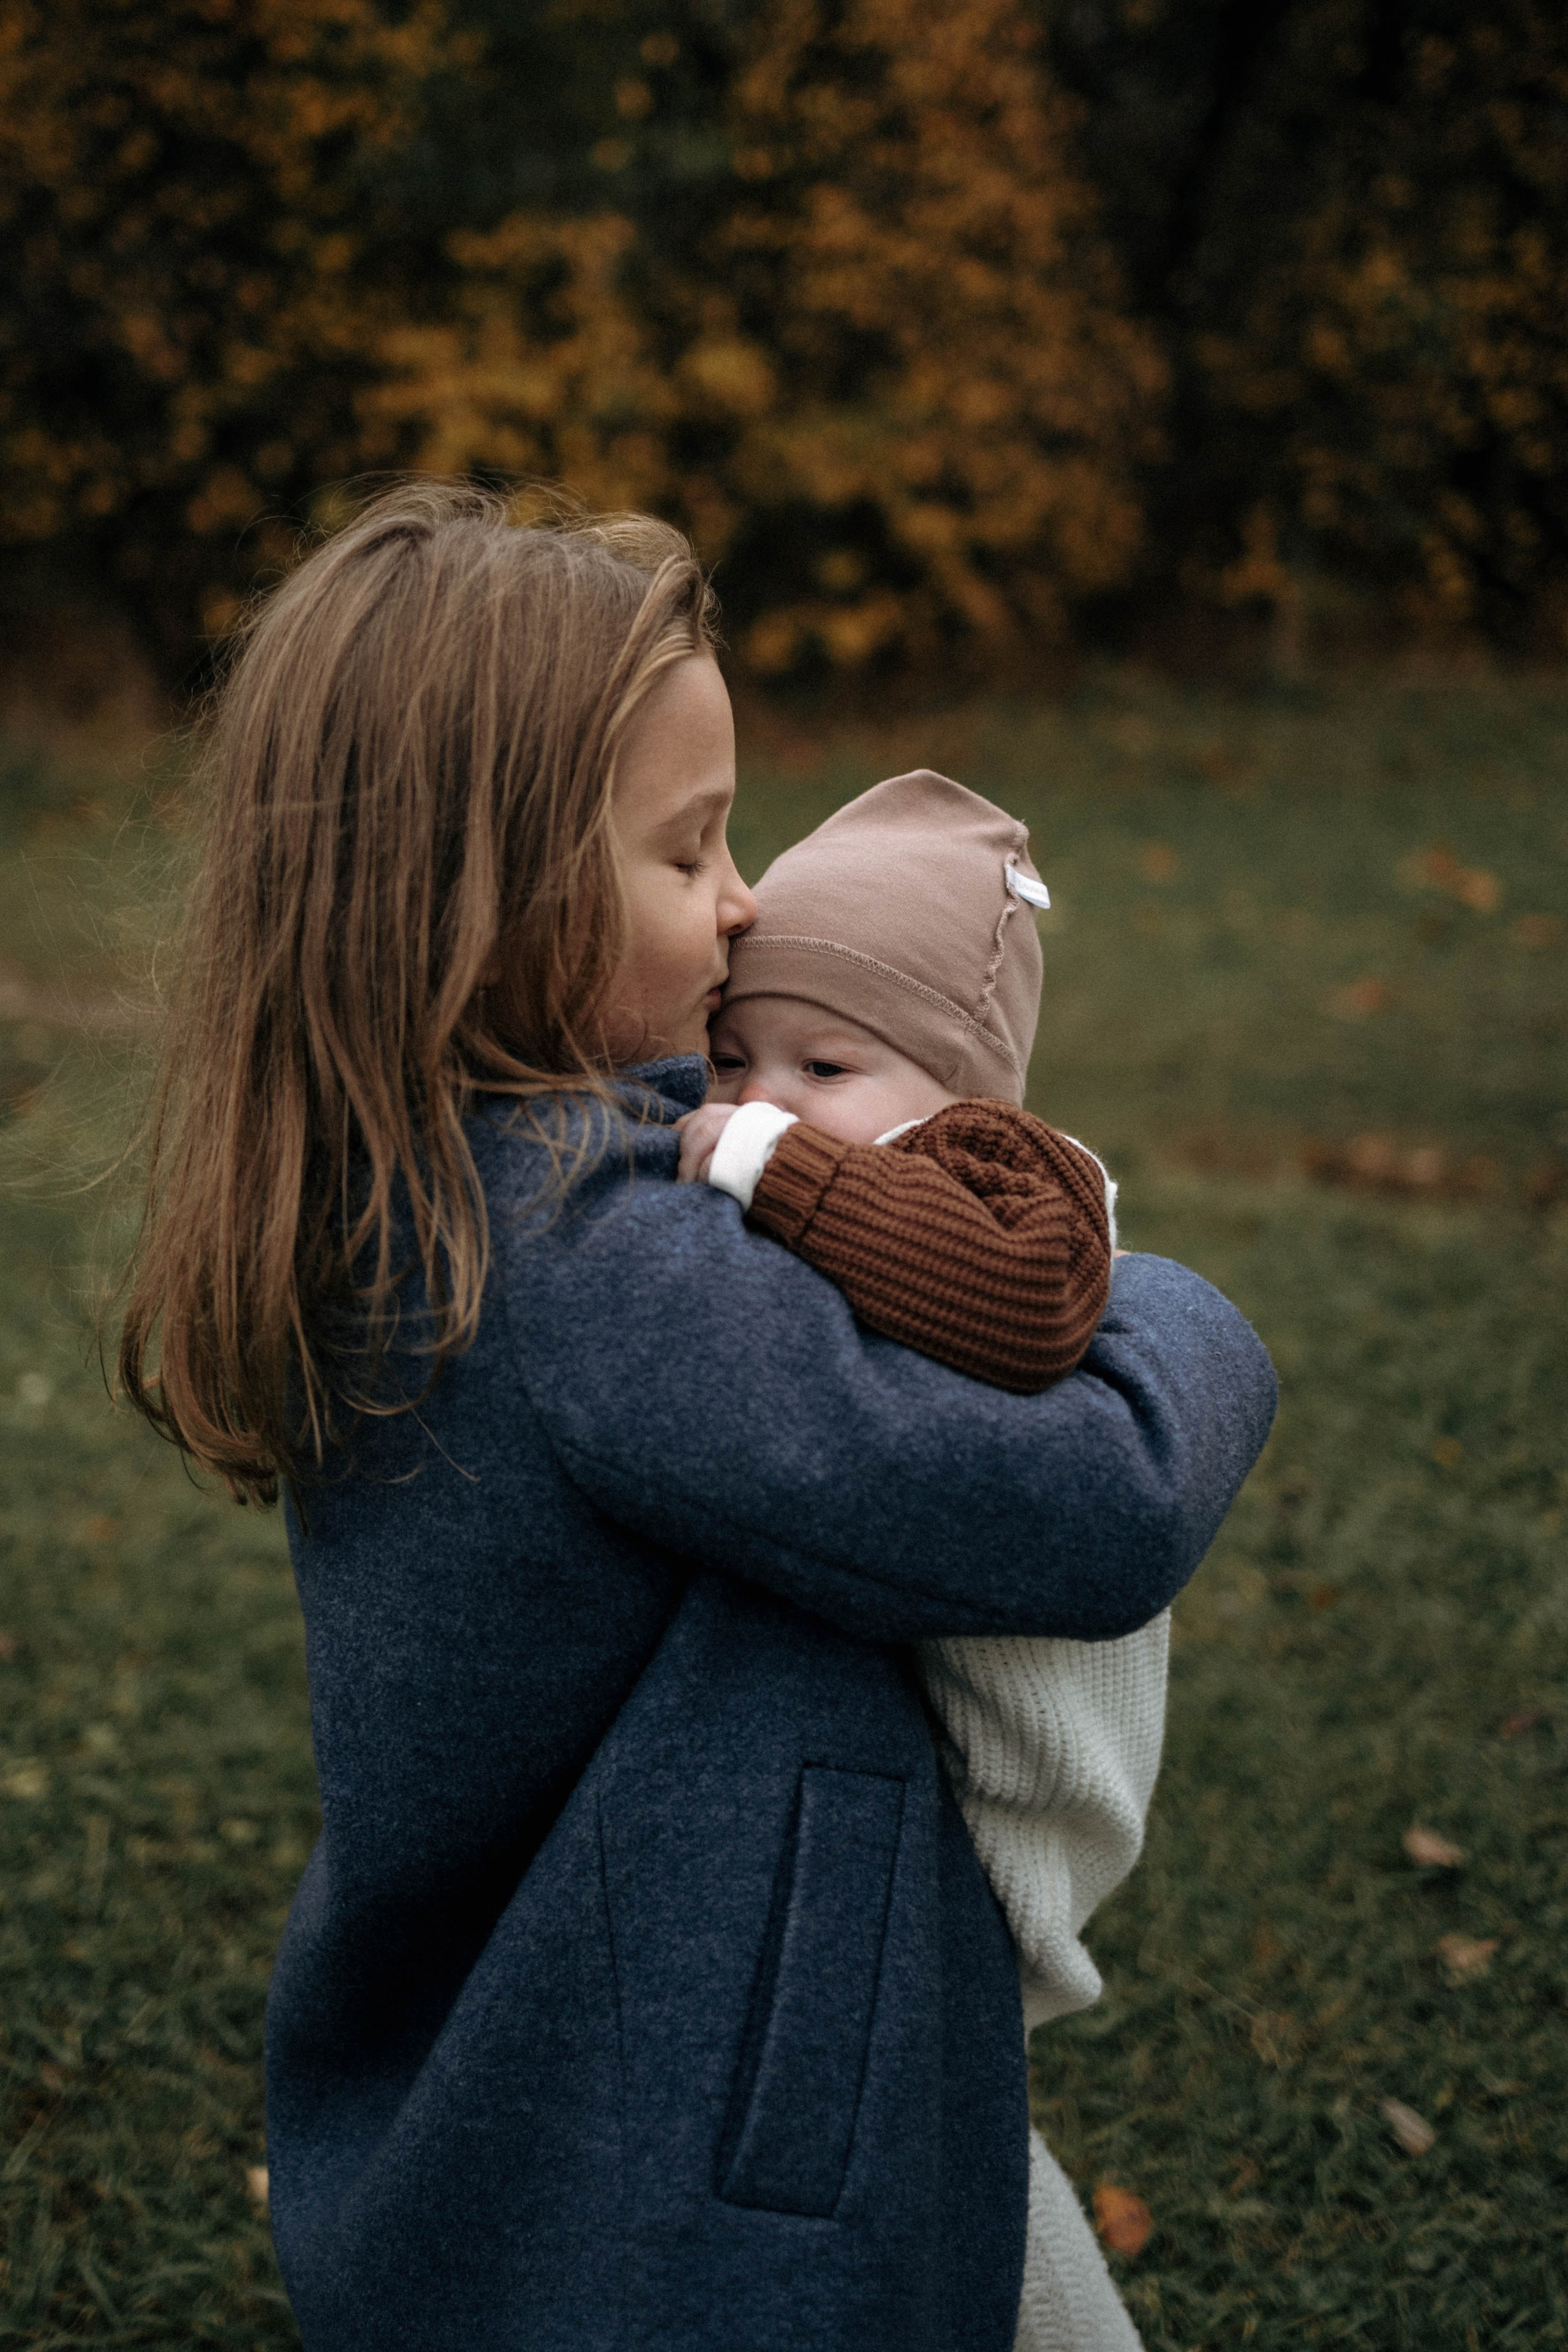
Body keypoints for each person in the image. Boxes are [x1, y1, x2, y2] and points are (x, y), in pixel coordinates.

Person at [116, 481, 1276, 2352]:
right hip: (693, 2180)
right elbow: (1098, 1500)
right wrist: (1160, 1294)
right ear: (484, 899)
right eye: (693, 849)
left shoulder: (404, 1187)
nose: (747, 902)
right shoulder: (592, 1262)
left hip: (533, 2089)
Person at [677, 770, 1164, 2349]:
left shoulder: (1022, 1188)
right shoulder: (871, 1156)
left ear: (967, 1098)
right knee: (947, 2139)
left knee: (966, 2043)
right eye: (737, 1057)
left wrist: (771, 1166)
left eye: (827, 1064)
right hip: (896, 1734)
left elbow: (1016, 1314)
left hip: (1042, 1723)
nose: (768, 1092)